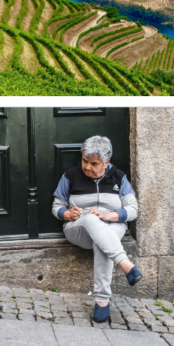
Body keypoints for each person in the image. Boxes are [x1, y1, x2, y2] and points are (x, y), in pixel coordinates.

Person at [52, 135, 142, 323]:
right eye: (85, 161)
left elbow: (133, 210)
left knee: (103, 240)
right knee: (92, 219)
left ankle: (102, 302)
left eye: (94, 163)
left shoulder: (119, 177)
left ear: (106, 162)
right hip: (79, 228)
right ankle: (125, 264)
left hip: (112, 226)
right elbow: (57, 205)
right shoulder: (70, 175)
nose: (87, 167)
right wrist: (67, 214)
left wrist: (108, 215)